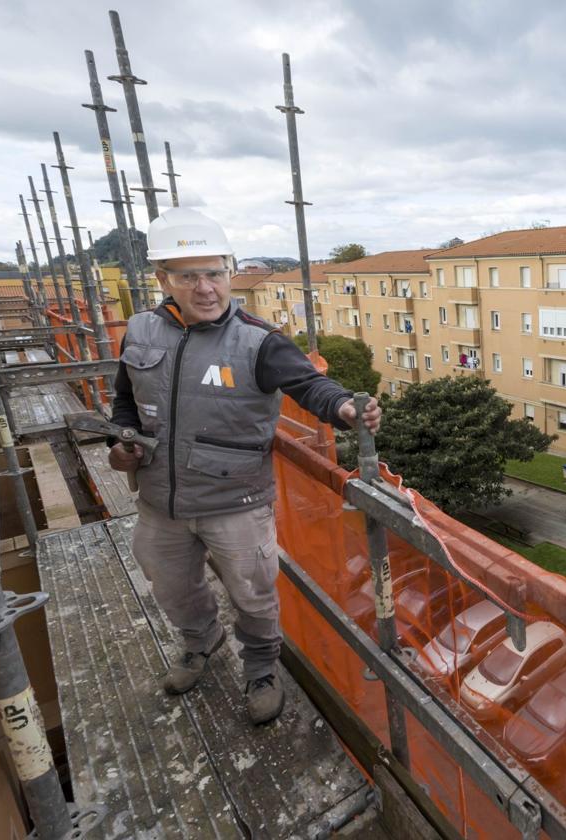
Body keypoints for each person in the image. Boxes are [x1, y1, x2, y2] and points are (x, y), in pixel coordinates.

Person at [108, 207, 381, 725]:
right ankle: (200, 642)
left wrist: (346, 407)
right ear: (163, 279)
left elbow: (309, 384)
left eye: (215, 272)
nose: (206, 287)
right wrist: (122, 443)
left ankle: (260, 668)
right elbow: (126, 401)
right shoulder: (140, 331)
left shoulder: (258, 340)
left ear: (229, 272)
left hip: (235, 503)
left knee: (253, 595)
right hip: (159, 501)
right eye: (189, 276)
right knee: (171, 586)